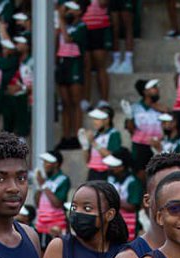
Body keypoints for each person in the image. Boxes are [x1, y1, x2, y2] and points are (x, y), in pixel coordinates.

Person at [56, 2, 88, 150]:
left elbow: (69, 38)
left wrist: (61, 19)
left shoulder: (81, 26)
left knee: (76, 102)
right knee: (65, 103)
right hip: (63, 63)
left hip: (75, 63)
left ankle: (76, 135)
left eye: (71, 10)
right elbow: (56, 41)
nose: (68, 13)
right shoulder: (62, 27)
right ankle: (66, 135)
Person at [34, 151, 71, 244]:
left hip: (56, 226)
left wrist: (43, 185)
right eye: (44, 162)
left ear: (56, 164)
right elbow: (37, 204)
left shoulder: (63, 179)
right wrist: (39, 186)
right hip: (41, 224)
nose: (44, 165)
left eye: (47, 162)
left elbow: (57, 203)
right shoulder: (46, 180)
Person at [81, 1, 113, 104]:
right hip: (84, 28)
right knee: (86, 67)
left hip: (100, 27)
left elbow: (103, 2)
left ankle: (104, 100)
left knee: (100, 66)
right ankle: (85, 100)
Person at [85, 106, 122, 182]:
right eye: (94, 119)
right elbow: (87, 160)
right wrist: (84, 146)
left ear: (107, 120)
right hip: (92, 172)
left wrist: (93, 143)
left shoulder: (114, 134)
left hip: (106, 173)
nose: (94, 122)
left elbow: (112, 156)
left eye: (97, 119)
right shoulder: (95, 135)